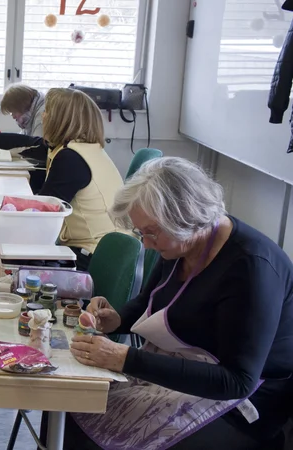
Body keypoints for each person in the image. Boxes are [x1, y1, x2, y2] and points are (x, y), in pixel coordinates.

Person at [66, 157, 293, 449]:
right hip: (189, 369)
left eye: (151, 232)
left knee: (93, 435)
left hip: (244, 403)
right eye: (141, 233)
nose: (145, 244)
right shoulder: (181, 245)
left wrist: (126, 358)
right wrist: (117, 319)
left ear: (186, 218)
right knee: (73, 406)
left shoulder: (251, 267)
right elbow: (148, 302)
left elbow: (237, 381)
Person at [0, 88, 122, 269]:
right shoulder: (79, 148)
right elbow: (23, 142)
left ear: (61, 120)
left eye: (47, 113)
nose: (43, 117)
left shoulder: (71, 159)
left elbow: (39, 217)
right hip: (103, 248)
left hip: (95, 256)